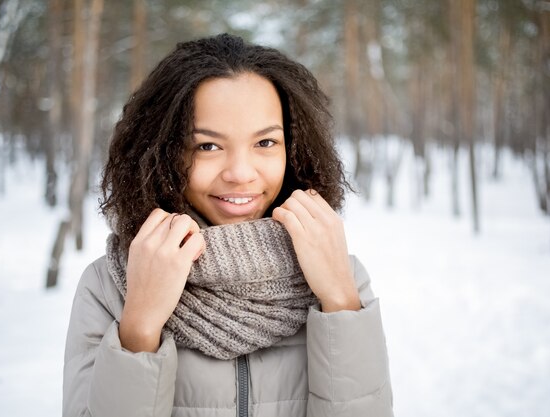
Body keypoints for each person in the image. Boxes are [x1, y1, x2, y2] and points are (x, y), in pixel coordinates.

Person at [63, 33, 393, 417]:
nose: (240, 174)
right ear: (161, 152)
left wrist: (339, 299)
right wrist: (139, 325)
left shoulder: (340, 271)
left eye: (266, 143)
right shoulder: (111, 284)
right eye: (208, 146)